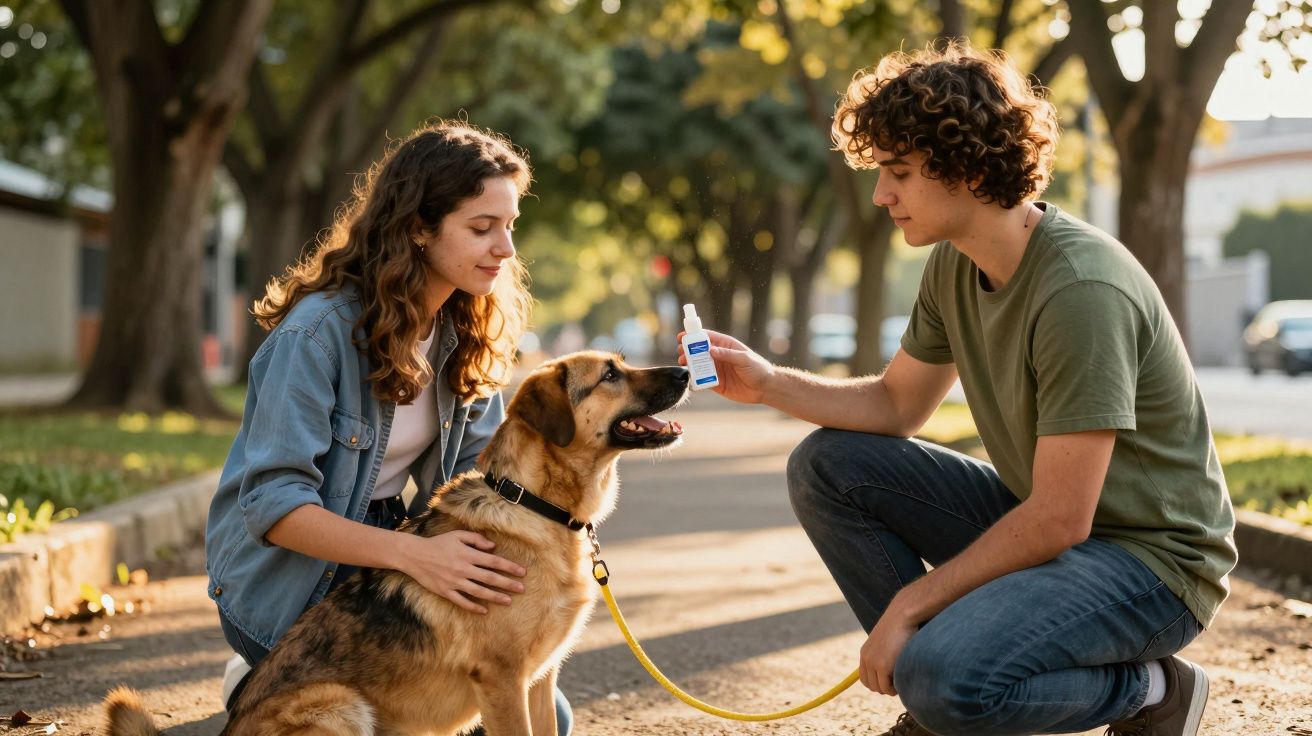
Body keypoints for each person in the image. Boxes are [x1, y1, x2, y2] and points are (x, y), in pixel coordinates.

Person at [679, 43, 1236, 736]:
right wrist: (767, 385)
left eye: (900, 174)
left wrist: (912, 604)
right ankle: (949, 685)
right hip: (1063, 531)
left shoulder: (1079, 290)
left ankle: (1150, 690)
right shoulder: (953, 265)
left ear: (969, 171)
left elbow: (1063, 519)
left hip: (1153, 566)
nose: (882, 195)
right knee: (829, 465)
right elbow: (895, 406)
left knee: (942, 675)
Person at [204, 120, 573, 733]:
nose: (506, 248)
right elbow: (271, 503)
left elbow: (484, 480)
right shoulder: (315, 335)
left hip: (397, 564)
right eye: (482, 228)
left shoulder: (467, 333)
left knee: (544, 714)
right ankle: (265, 671)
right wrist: (416, 556)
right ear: (417, 229)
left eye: (510, 226)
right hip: (293, 578)